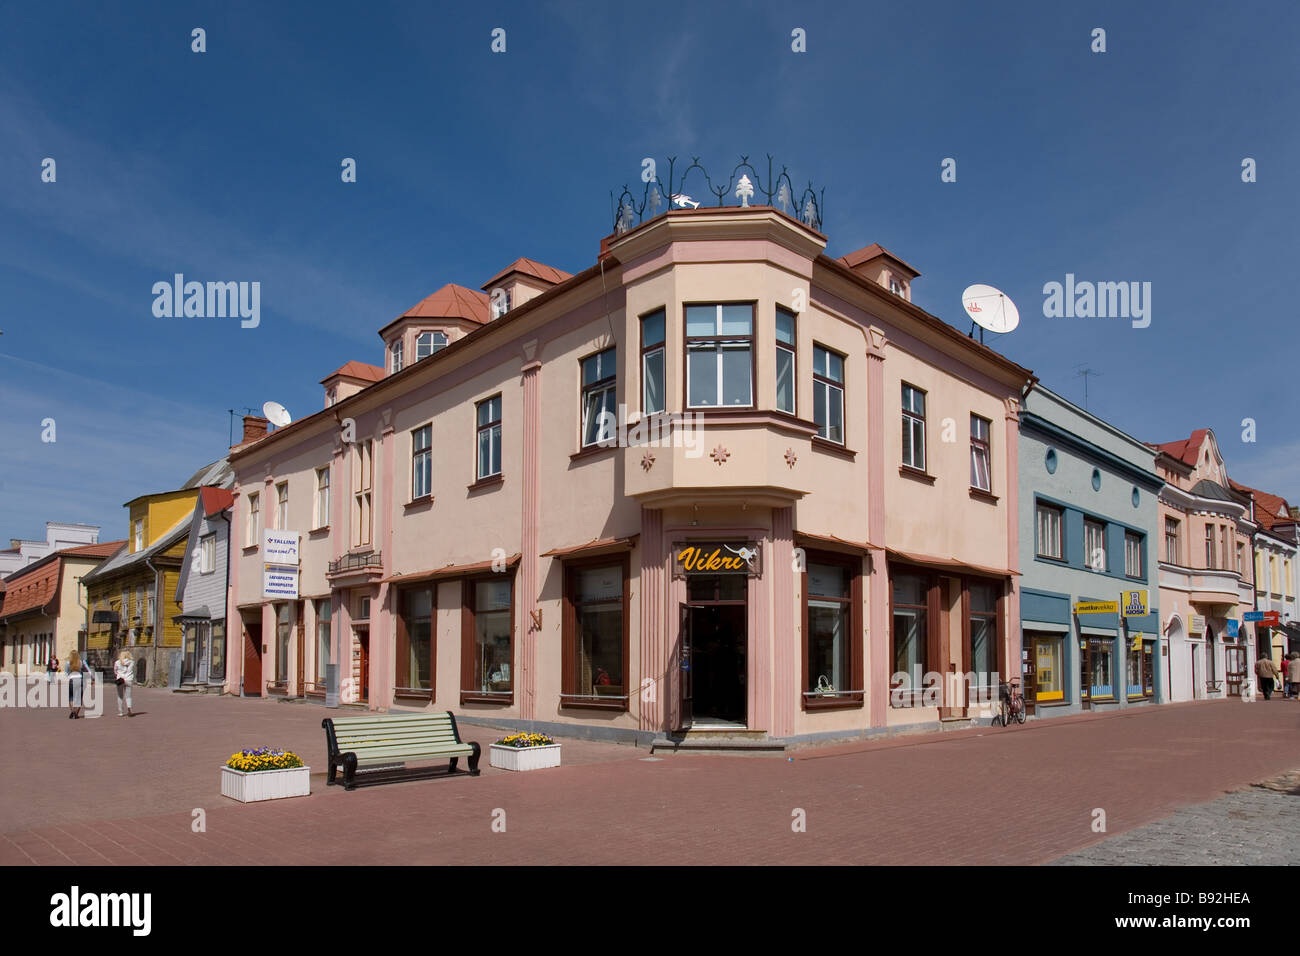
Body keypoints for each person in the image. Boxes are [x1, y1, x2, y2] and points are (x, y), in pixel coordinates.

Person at [66, 651, 90, 719]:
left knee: (71, 697)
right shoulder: (81, 662)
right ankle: (76, 713)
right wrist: (92, 678)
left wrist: (70, 674)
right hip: (80, 679)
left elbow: (66, 672)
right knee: (79, 698)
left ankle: (73, 711)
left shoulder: (68, 662)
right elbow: (88, 669)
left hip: (72, 680)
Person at [113, 650, 134, 717]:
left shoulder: (117, 662)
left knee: (120, 696)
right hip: (129, 679)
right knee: (128, 696)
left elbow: (115, 671)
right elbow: (131, 670)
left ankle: (121, 712)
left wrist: (119, 675)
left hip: (120, 680)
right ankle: (129, 709)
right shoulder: (132, 662)